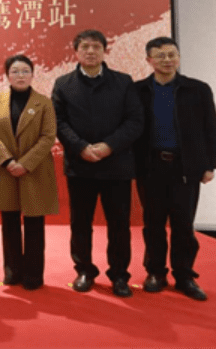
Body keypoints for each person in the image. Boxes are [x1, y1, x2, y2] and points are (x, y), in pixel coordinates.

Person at [52, 29, 143, 297]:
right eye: (85, 47)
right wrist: (80, 147)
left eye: (96, 47)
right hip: (80, 166)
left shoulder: (123, 82)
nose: (91, 52)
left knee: (119, 224)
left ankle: (119, 275)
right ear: (76, 52)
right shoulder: (63, 83)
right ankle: (84, 270)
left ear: (105, 51)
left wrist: (108, 146)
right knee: (80, 223)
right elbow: (58, 122)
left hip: (116, 165)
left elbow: (135, 121)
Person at [134, 36, 216, 301]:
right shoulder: (137, 91)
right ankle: (155, 272)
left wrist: (210, 164)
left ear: (179, 58)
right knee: (153, 223)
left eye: (172, 55)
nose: (167, 60)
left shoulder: (197, 89)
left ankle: (184, 274)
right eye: (160, 56)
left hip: (186, 167)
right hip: (150, 166)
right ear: (149, 60)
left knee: (183, 224)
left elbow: (211, 128)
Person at [0, 54, 58, 290]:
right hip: (5, 170)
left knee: (35, 224)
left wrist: (24, 163)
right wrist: (7, 160)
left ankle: (33, 275)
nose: (20, 75)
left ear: (32, 75)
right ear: (7, 75)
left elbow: (48, 136)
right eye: (15, 71)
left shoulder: (43, 103)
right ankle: (12, 271)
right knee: (9, 222)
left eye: (25, 71)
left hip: (34, 170)